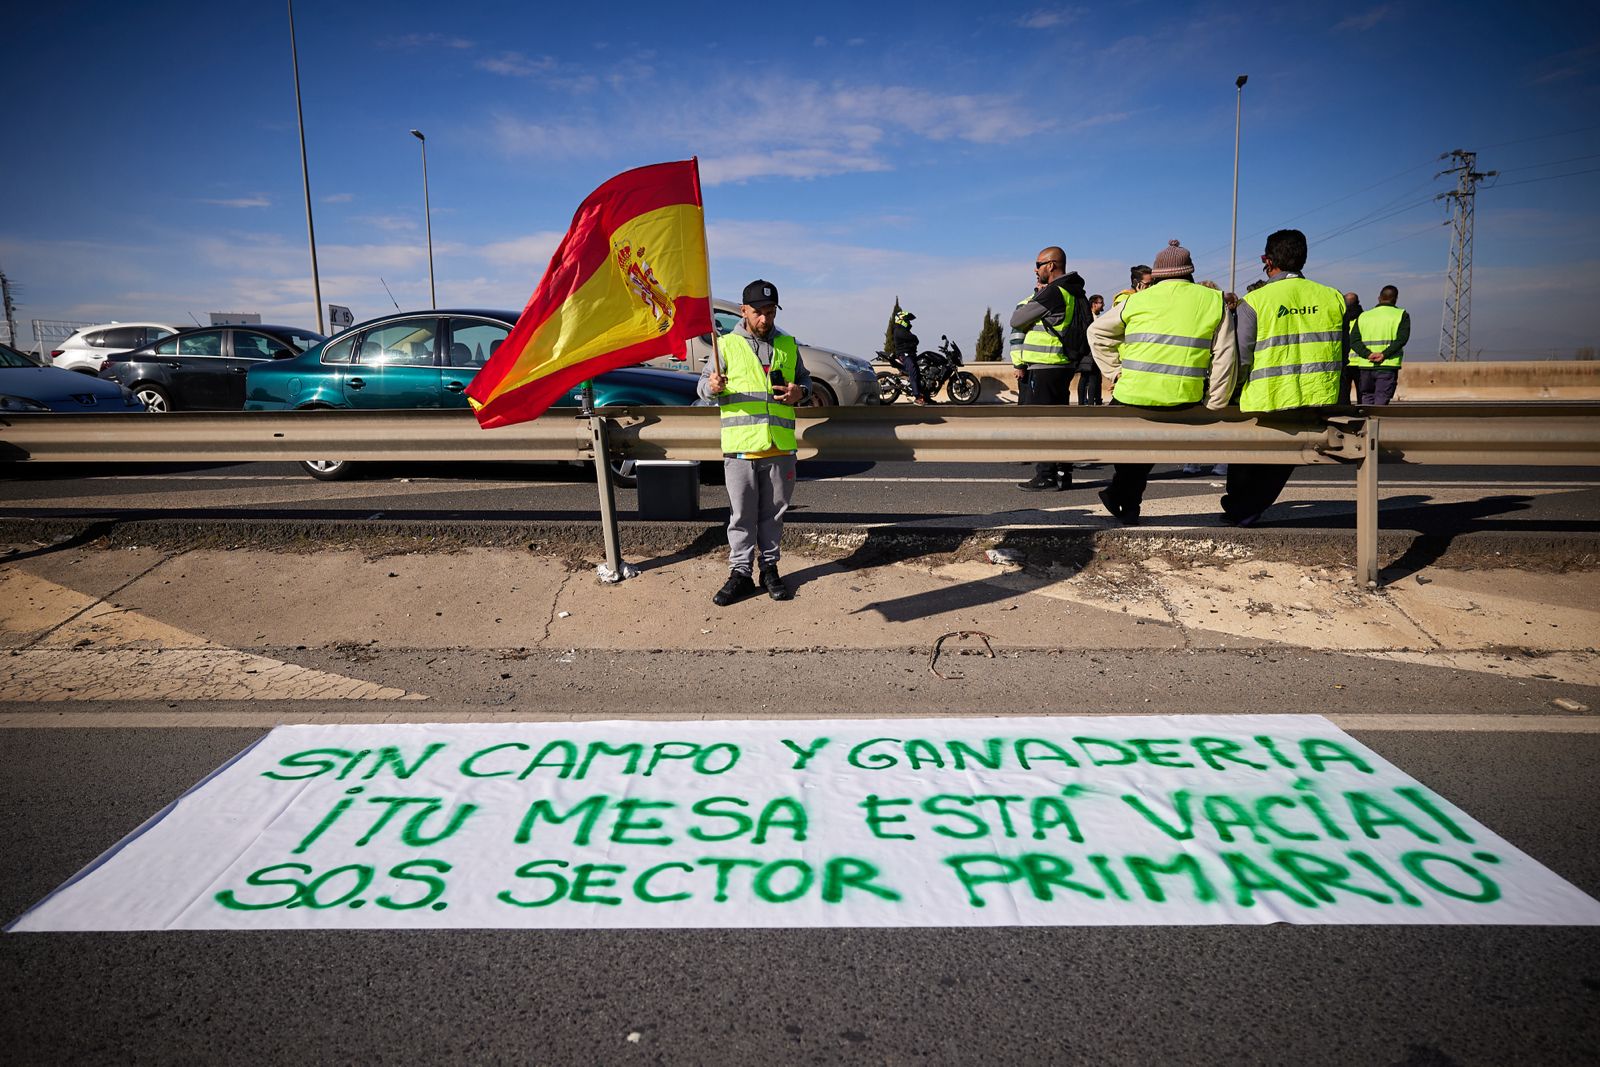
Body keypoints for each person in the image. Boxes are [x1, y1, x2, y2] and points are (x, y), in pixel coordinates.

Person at [1088, 239, 1237, 525]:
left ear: (1156, 275)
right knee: (1144, 450)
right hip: (1182, 397)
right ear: (1190, 272)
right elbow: (1225, 356)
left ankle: (1124, 499)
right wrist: (1215, 402)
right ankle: (1123, 499)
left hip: (1133, 394)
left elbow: (1096, 333)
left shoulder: (1135, 299)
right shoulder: (1212, 300)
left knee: (1133, 451)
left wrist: (1114, 371)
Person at [1220, 229, 1346, 526]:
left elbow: (1243, 355)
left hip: (1267, 396)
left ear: (1268, 260)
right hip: (1316, 397)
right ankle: (1246, 508)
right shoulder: (1332, 297)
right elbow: (1342, 354)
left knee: (1245, 454)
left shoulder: (1255, 301)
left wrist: (1233, 390)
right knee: (1283, 460)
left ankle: (1240, 506)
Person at [699, 279, 813, 605]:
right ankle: (740, 574)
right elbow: (703, 391)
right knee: (742, 517)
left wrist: (799, 392)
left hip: (779, 446)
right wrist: (713, 387)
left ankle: (769, 569)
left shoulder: (788, 345)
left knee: (773, 515)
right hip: (741, 447)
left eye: (770, 311)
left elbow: (804, 382)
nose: (765, 319)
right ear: (743, 310)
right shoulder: (726, 347)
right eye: (759, 312)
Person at [1010, 245, 1091, 491]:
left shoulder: (1054, 291)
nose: (1035, 270)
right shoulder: (1075, 291)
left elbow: (1017, 320)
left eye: (1038, 264)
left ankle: (1045, 475)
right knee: (1061, 420)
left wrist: (1033, 304)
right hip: (1063, 363)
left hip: (1045, 365)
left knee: (1043, 423)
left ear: (1051, 265)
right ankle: (1064, 472)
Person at [1348, 285, 1410, 405]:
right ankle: (1376, 421)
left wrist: (1368, 354)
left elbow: (1354, 340)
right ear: (1395, 299)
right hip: (1387, 365)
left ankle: (1367, 422)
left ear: (1379, 298)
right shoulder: (1401, 315)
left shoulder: (1363, 316)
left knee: (1366, 397)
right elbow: (1402, 339)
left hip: (1366, 366)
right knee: (1381, 399)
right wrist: (1384, 354)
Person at [891, 308, 925, 404]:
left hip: (910, 354)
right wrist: (914, 339)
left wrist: (914, 341)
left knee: (920, 373)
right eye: (907, 320)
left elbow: (915, 341)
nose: (909, 322)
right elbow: (913, 338)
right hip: (904, 355)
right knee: (913, 372)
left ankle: (925, 395)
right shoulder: (899, 329)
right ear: (901, 320)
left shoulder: (904, 330)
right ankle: (917, 397)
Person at [1079, 295, 1106, 405]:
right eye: (1101, 303)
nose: (1103, 305)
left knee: (1085, 377)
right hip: (1092, 351)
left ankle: (1083, 402)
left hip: (1085, 352)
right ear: (1094, 304)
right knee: (1093, 377)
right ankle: (1091, 403)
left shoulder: (1085, 316)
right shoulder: (1093, 318)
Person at [1340, 291, 1364, 404]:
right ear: (1358, 303)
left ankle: (1345, 414)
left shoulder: (1340, 318)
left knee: (1344, 393)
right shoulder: (1364, 318)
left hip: (1345, 362)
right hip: (1361, 362)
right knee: (1362, 393)